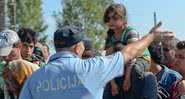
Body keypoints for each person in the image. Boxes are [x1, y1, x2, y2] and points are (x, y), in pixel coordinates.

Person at [19, 23, 174, 99]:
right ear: (78, 48)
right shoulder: (92, 67)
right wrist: (151, 37)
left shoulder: (34, 79)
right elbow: (129, 52)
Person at [103, 3, 151, 98]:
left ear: (123, 19)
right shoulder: (110, 37)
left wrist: (127, 79)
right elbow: (108, 61)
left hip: (139, 59)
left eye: (115, 18)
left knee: (135, 70)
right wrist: (112, 84)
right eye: (108, 19)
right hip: (121, 61)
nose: (111, 21)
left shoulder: (130, 32)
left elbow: (132, 56)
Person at [0, 30, 39, 98]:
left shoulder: (33, 69)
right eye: (3, 55)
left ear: (19, 46)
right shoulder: (2, 69)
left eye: (11, 53)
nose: (6, 58)